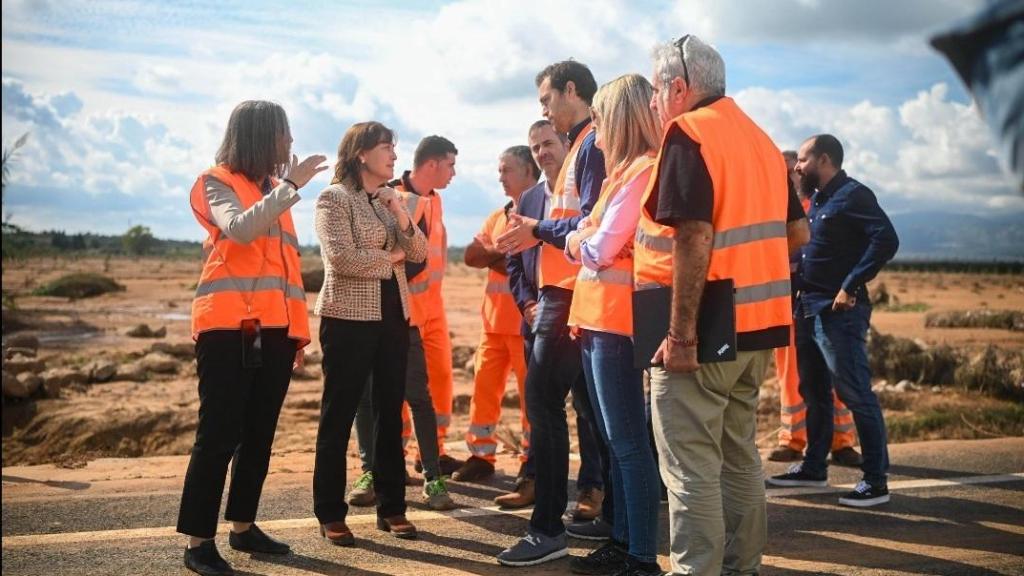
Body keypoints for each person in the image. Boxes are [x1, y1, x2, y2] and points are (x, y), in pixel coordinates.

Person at [646, 36, 809, 576]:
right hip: (760, 330)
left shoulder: (689, 131)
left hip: (709, 333)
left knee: (691, 469)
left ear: (678, 87)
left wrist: (683, 335)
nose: (654, 101)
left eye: (655, 89)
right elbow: (797, 233)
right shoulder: (762, 141)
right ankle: (744, 569)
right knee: (740, 459)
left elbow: (693, 237)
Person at [178, 100, 327, 576]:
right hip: (227, 329)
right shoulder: (216, 180)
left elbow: (285, 276)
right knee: (219, 434)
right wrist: (290, 186)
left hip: (273, 333)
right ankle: (199, 542)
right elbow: (240, 230)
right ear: (263, 136)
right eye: (285, 134)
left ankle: (243, 527)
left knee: (259, 435)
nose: (290, 144)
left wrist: (296, 337)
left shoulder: (273, 194)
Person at [495, 60, 612, 567]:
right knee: (592, 410)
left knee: (545, 407)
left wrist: (536, 230)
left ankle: (547, 529)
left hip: (568, 298)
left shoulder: (589, 146)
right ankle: (619, 518)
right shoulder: (582, 149)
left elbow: (588, 224)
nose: (543, 110)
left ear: (571, 91)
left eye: (546, 99)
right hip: (569, 296)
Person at [565, 73, 664, 576]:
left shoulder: (642, 170)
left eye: (601, 118)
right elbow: (594, 238)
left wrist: (578, 239)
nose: (595, 129)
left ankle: (642, 556)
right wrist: (586, 235)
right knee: (615, 438)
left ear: (620, 121)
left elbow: (600, 247)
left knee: (626, 441)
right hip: (599, 321)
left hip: (618, 323)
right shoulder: (620, 175)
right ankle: (625, 542)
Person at [767, 134, 899, 508]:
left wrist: (851, 284)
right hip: (808, 308)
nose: (797, 166)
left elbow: (886, 239)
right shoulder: (819, 199)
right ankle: (813, 466)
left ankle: (875, 481)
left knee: (856, 393)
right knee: (814, 393)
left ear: (824, 159)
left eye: (803, 159)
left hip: (839, 312)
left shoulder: (854, 195)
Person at [312, 121, 427, 546]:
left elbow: (418, 253)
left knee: (388, 413)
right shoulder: (332, 199)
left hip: (394, 318)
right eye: (386, 148)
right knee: (339, 413)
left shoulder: (384, 201)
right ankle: (329, 511)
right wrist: (390, 256)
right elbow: (342, 258)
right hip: (347, 319)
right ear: (361, 153)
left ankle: (392, 507)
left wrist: (399, 211)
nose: (394, 156)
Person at [348, 136, 460, 511]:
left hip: (420, 315)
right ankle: (374, 472)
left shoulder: (432, 201)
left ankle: (432, 474)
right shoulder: (390, 196)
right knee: (372, 398)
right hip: (387, 312)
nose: (455, 174)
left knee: (420, 395)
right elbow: (399, 258)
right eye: (451, 165)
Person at [769, 150, 861, 467]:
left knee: (833, 375)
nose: (786, 179)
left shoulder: (820, 208)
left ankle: (842, 441)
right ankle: (793, 439)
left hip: (819, 304)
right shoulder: (771, 212)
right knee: (791, 377)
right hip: (785, 306)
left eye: (790, 172)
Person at [454, 146, 537, 483]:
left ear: (529, 171)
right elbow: (472, 256)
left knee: (532, 400)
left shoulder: (540, 214)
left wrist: (502, 254)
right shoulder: (498, 216)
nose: (500, 177)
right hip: (493, 326)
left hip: (525, 326)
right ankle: (481, 456)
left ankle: (531, 462)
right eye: (499, 170)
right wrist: (502, 250)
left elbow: (522, 264)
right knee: (483, 391)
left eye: (507, 170)